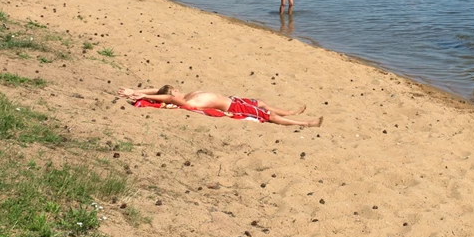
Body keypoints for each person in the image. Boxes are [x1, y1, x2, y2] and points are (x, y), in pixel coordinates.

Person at [117, 85, 322, 127]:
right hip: (233, 107)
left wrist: (137, 91)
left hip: (231, 99)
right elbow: (168, 98)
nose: (178, 88)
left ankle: (289, 111)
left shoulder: (184, 95)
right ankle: (303, 123)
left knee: (261, 102)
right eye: (175, 90)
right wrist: (143, 95)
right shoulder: (184, 101)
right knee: (266, 115)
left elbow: (162, 92)